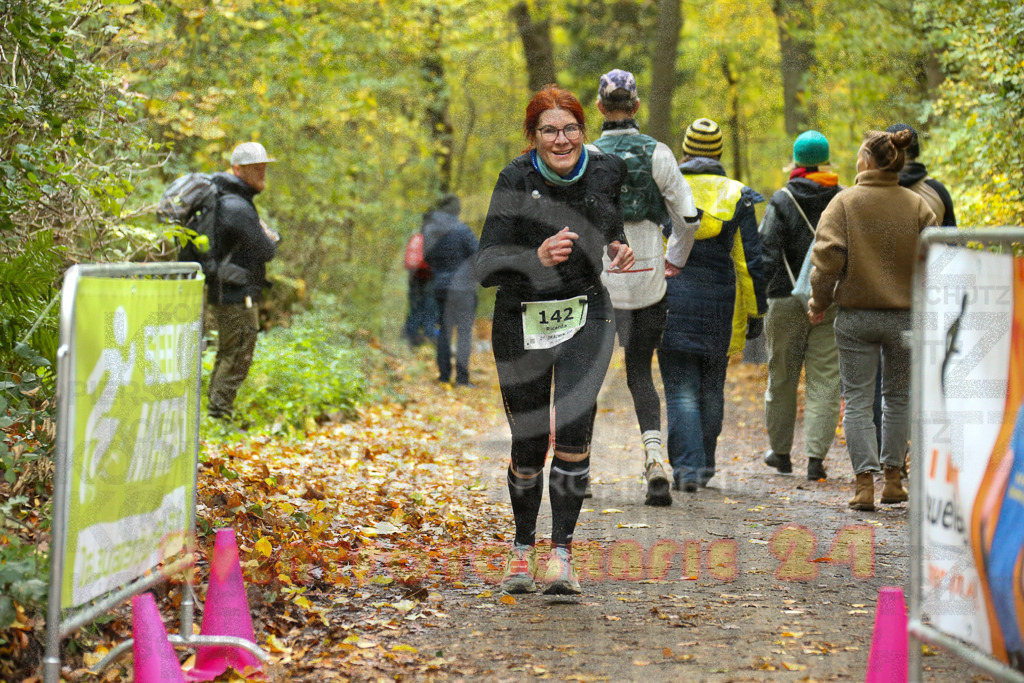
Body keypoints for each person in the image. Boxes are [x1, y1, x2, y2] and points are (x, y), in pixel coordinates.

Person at [476, 84, 634, 595]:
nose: (561, 139)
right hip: (521, 319)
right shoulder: (515, 179)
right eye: (549, 130)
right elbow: (485, 266)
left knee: (572, 437)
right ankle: (522, 549)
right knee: (528, 444)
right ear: (534, 136)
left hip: (587, 316)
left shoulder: (609, 168)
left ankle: (562, 554)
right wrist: (534, 259)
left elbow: (610, 220)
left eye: (569, 128)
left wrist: (617, 246)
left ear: (583, 130)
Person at [807, 128, 936, 511]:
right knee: (897, 398)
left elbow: (827, 259)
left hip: (856, 318)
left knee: (859, 400)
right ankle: (894, 480)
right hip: (905, 318)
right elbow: (937, 256)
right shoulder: (917, 205)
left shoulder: (844, 203)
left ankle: (864, 486)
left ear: (865, 161)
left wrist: (819, 301)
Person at [591, 68, 700, 507]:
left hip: (602, 276)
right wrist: (675, 257)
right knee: (641, 373)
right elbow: (688, 217)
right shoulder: (660, 153)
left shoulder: (588, 154)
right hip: (649, 274)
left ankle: (577, 471)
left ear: (600, 107)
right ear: (636, 106)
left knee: (588, 375)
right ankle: (655, 459)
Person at [659, 118, 767, 492]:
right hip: (721, 306)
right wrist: (756, 312)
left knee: (679, 390)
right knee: (710, 386)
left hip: (669, 302)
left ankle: (687, 468)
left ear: (686, 151)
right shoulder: (736, 195)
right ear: (718, 153)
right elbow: (748, 262)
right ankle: (704, 467)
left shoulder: (667, 189)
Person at [759, 130, 843, 481]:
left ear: (795, 163)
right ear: (825, 162)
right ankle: (815, 461)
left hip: (784, 299)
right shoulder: (843, 198)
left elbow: (765, 250)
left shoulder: (781, 200)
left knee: (782, 377)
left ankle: (780, 454)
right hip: (832, 299)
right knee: (825, 380)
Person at [207, 141, 279, 421]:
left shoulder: (231, 201)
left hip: (230, 290)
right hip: (235, 294)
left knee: (229, 353)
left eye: (263, 167)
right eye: (255, 168)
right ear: (238, 169)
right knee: (237, 356)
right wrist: (272, 236)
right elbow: (266, 249)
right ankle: (219, 417)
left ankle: (217, 415)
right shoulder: (237, 207)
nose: (262, 173)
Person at [423, 195, 479, 385]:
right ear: (457, 210)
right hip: (463, 288)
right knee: (464, 333)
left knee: (444, 331)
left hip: (440, 286)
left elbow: (427, 257)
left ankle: (444, 376)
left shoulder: (430, 231)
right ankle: (462, 379)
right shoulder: (462, 230)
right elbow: (477, 255)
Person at [402, 219, 438, 347]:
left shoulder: (415, 238)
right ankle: (429, 340)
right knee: (430, 309)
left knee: (415, 309)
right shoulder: (434, 239)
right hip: (430, 278)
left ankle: (410, 340)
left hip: (414, 279)